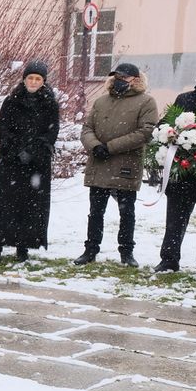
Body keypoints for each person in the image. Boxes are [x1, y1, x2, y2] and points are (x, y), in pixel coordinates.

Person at [75, 62, 159, 267]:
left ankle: (126, 252)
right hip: (99, 163)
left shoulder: (146, 102)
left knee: (126, 212)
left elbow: (145, 132)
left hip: (126, 164)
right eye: (116, 77)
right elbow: (87, 128)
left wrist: (110, 147)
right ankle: (91, 249)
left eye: (124, 78)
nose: (119, 81)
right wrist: (95, 146)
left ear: (135, 80)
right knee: (95, 211)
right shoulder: (101, 101)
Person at [0, 60, 60, 263]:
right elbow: (2, 129)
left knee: (30, 206)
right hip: (11, 163)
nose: (33, 82)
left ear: (43, 81)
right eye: (30, 78)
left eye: (38, 79)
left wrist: (33, 152)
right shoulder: (11, 101)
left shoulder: (50, 104)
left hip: (36, 165)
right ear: (24, 79)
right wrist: (16, 150)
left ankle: (23, 247)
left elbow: (51, 132)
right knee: (4, 205)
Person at [154, 64, 196, 273]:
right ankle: (169, 259)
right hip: (182, 173)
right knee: (175, 219)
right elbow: (164, 125)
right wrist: (168, 134)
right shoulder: (184, 99)